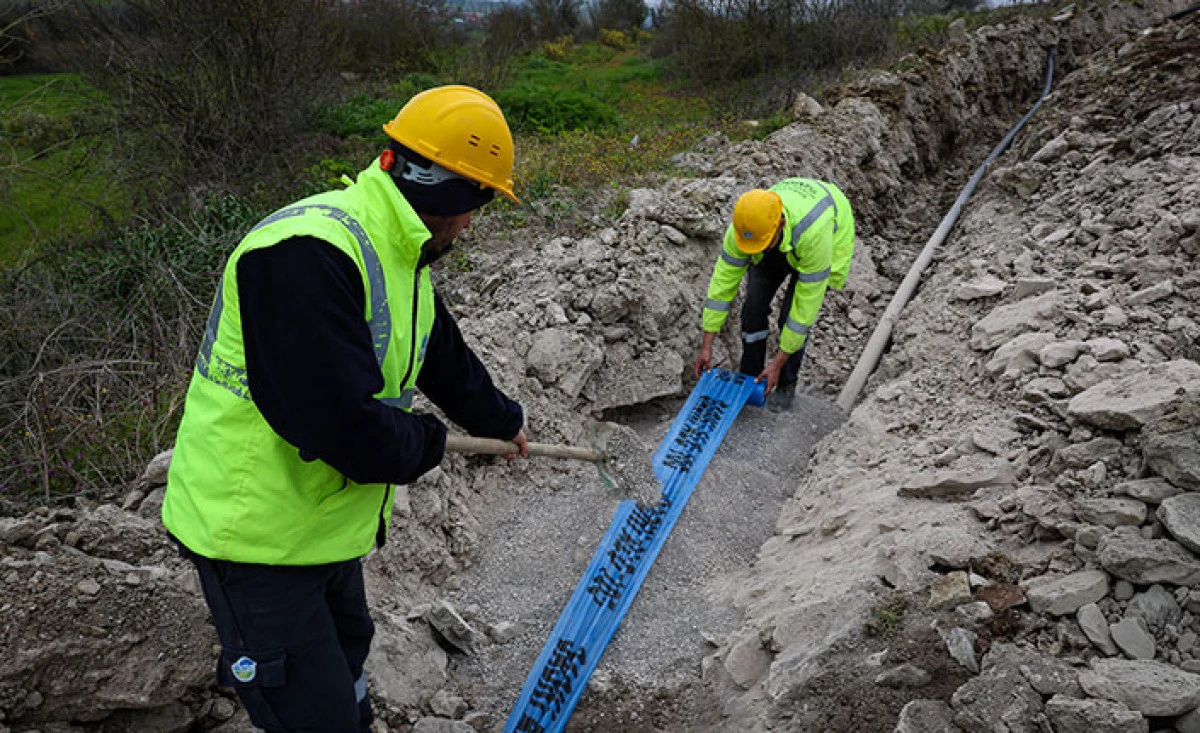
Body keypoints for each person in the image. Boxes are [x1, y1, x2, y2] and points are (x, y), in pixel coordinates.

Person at [161, 85, 529, 733]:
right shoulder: (305, 255)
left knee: (349, 653)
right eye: (475, 202)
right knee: (313, 711)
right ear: (441, 187)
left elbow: (438, 348)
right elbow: (340, 426)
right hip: (254, 540)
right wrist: (429, 441)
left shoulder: (397, 246)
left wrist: (501, 418)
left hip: (319, 523)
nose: (472, 222)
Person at [693, 178, 855, 412]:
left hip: (824, 231)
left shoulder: (814, 236)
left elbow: (804, 311)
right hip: (779, 233)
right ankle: (751, 375)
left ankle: (786, 383)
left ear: (779, 224)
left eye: (761, 245)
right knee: (753, 308)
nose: (755, 251)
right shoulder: (747, 229)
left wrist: (778, 363)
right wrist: (706, 344)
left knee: (790, 317)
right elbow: (722, 286)